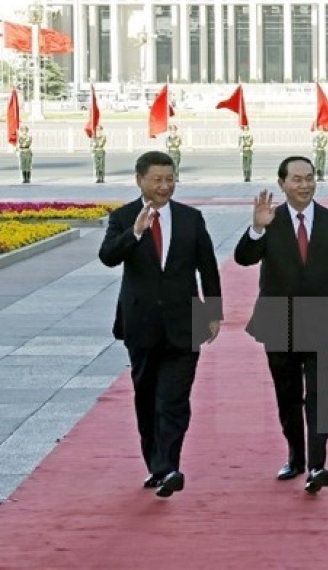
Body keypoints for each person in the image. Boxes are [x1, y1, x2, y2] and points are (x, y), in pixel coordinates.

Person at [98, 151, 223, 498]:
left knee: (173, 399)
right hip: (141, 325)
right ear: (140, 180)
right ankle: (156, 463)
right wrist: (134, 233)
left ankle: (169, 467)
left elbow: (208, 268)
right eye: (157, 180)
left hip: (185, 324)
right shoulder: (123, 217)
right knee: (147, 398)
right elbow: (108, 257)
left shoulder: (190, 218)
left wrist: (213, 312)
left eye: (170, 179)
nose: (164, 186)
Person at [234, 156, 328, 494]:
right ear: (282, 183)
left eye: (309, 178)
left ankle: (318, 464)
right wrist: (257, 229)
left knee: (321, 395)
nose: (304, 185)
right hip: (278, 322)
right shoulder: (269, 221)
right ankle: (296, 456)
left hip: (321, 322)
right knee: (288, 395)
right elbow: (243, 258)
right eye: (296, 179)